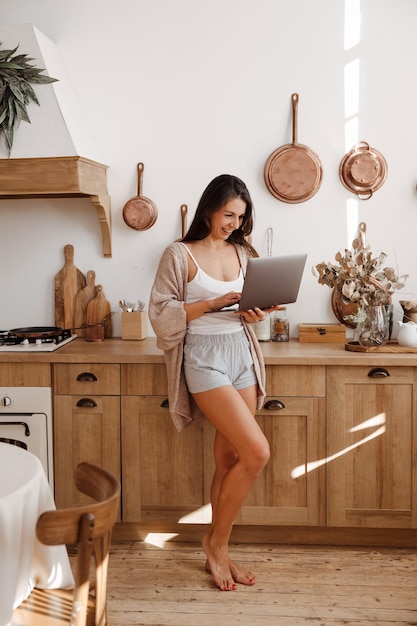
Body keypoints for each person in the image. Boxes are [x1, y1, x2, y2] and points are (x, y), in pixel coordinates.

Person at [149, 174, 279, 591]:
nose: (234, 224)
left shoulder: (243, 252)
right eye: (228, 214)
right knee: (257, 452)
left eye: (240, 217)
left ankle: (218, 545)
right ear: (209, 208)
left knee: (229, 460)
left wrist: (254, 314)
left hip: (241, 354)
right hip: (203, 359)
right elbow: (160, 312)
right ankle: (216, 545)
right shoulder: (179, 254)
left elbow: (248, 306)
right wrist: (208, 303)